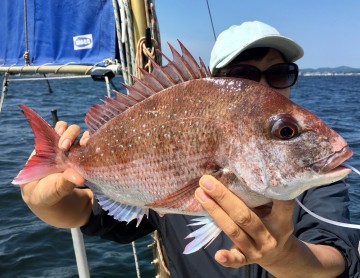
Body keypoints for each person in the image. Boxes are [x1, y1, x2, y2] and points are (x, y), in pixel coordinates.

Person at [19, 21, 360, 277]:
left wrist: (283, 255)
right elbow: (84, 215)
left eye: (281, 72)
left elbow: (336, 257)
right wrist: (43, 199)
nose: (260, 85)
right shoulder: (169, 166)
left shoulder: (316, 174)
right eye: (242, 74)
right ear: (217, 81)